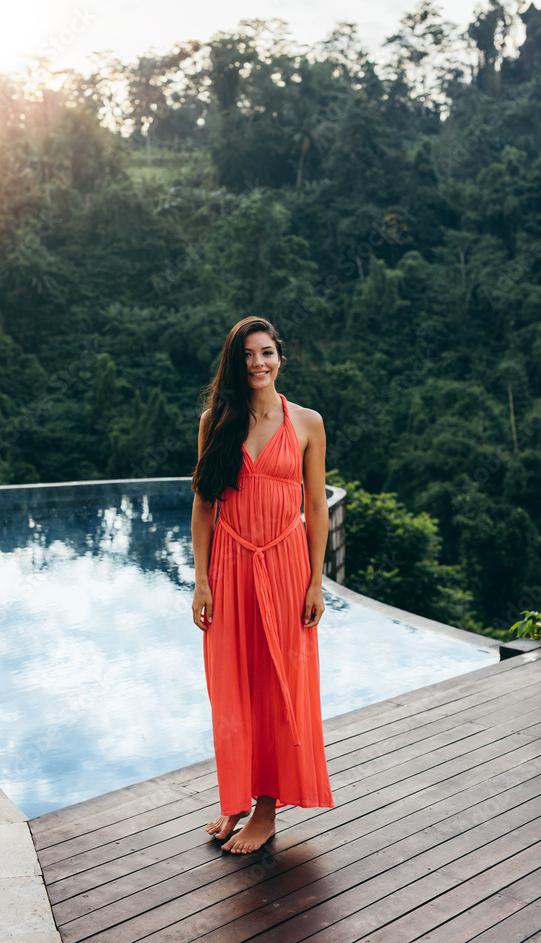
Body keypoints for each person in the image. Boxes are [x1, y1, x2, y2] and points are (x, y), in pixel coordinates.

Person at [190, 315, 335, 855]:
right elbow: (203, 505)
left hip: (286, 564)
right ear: (236, 363)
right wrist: (201, 580)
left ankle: (268, 809)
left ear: (281, 357)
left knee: (280, 686)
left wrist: (316, 582)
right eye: (248, 355)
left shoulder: (308, 423)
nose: (259, 363)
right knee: (231, 686)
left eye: (267, 352)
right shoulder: (216, 420)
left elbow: (316, 507)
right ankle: (236, 798)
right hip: (229, 563)